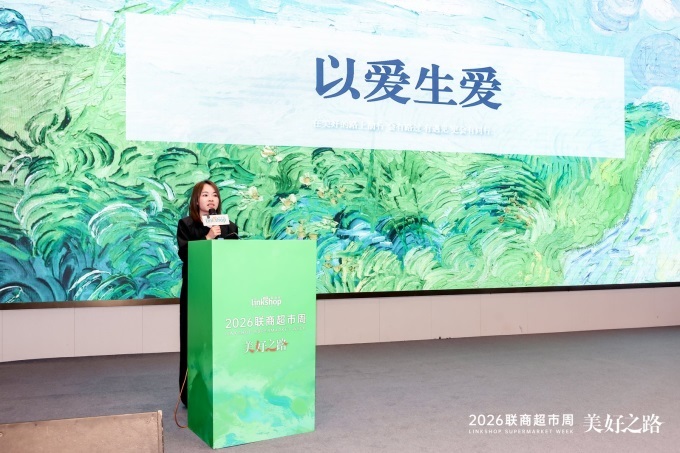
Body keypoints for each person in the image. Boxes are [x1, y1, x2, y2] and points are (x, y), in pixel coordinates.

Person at [176, 180, 239, 406]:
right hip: (196, 292)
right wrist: (208, 238)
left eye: (214, 195)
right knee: (195, 341)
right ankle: (191, 394)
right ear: (196, 200)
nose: (211, 199)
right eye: (205, 195)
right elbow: (186, 255)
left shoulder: (229, 225)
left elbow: (236, 257)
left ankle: (224, 389)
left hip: (223, 291)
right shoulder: (186, 225)